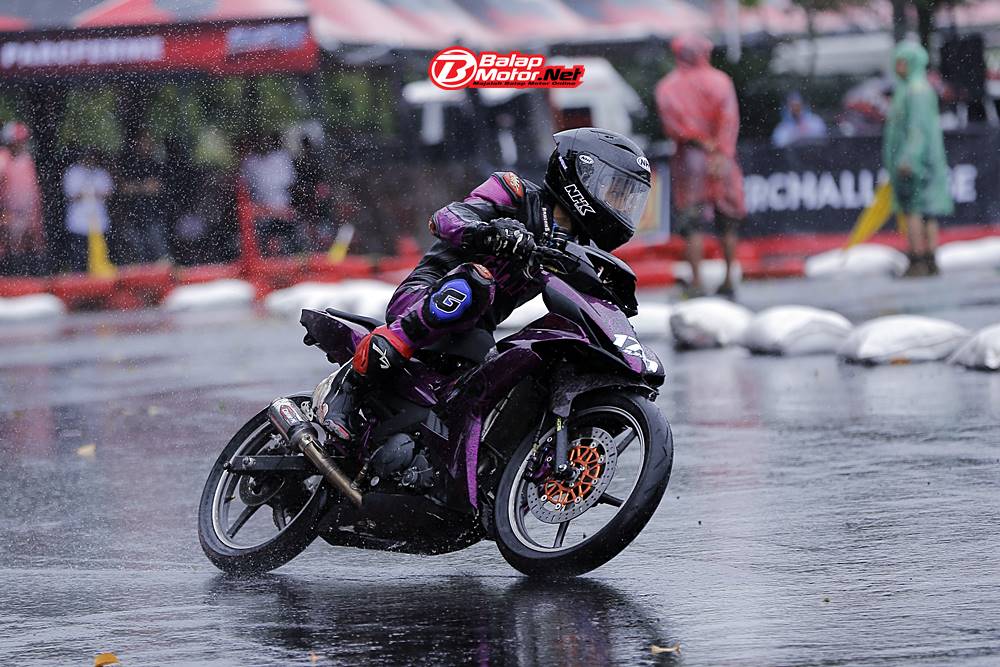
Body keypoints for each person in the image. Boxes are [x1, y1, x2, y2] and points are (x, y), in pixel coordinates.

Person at [320, 127, 651, 442]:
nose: (621, 206)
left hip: (475, 336)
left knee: (512, 373)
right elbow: (444, 219)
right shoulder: (514, 191)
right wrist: (489, 233)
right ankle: (351, 385)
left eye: (627, 198)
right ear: (583, 175)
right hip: (422, 298)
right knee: (476, 281)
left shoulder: (578, 253)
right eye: (616, 192)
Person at [655, 33, 746, 298]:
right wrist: (720, 151)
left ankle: (696, 282)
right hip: (722, 156)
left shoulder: (667, 87)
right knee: (727, 221)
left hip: (690, 159)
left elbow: (674, 127)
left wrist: (701, 143)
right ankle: (729, 279)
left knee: (691, 223)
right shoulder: (721, 81)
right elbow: (729, 120)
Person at [883, 41, 954, 277]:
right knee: (926, 210)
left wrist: (909, 158)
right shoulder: (913, 88)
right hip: (923, 160)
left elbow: (917, 129)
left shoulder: (915, 91)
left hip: (915, 163)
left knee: (914, 210)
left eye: (902, 62)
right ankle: (929, 258)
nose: (898, 66)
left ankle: (918, 259)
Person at [0, 121, 46, 276]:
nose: (22, 144)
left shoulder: (27, 160)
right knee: (9, 254)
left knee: (29, 256)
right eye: (18, 141)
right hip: (7, 216)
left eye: (23, 140)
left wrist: (35, 218)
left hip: (29, 218)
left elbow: (33, 191)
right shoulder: (3, 159)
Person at [240, 133, 297, 256]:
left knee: (289, 246)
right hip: (260, 213)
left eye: (266, 140)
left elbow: (290, 185)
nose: (263, 143)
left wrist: (280, 211)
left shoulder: (281, 158)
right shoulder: (250, 162)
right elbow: (244, 190)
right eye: (260, 140)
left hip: (281, 209)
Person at [117, 130, 168, 264]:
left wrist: (135, 187)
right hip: (132, 215)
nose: (146, 145)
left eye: (148, 142)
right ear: (137, 144)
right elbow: (124, 188)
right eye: (143, 142)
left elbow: (155, 187)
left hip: (153, 215)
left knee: (160, 253)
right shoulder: (129, 163)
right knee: (139, 255)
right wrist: (144, 186)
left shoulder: (156, 164)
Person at [63, 149, 114, 273]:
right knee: (79, 257)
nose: (90, 160)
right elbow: (70, 194)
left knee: (99, 255)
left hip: (98, 222)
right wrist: (89, 191)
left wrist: (89, 191)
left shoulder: (101, 173)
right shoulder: (73, 172)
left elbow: (108, 192)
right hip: (78, 223)